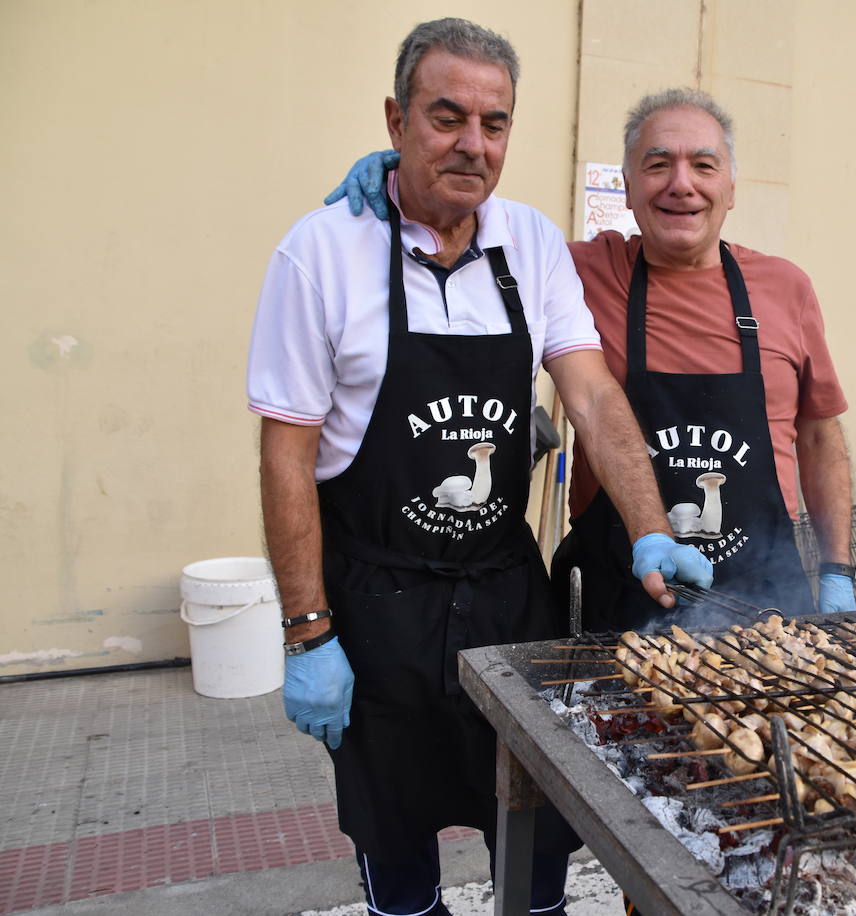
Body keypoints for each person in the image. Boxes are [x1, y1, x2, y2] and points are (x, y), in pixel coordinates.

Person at [249, 19, 711, 916]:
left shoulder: (531, 244)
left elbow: (593, 396)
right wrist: (308, 634)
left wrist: (651, 526)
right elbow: (286, 454)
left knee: (536, 838)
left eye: (494, 123)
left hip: (507, 596)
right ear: (396, 119)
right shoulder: (321, 252)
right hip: (377, 606)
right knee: (396, 847)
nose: (472, 143)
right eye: (446, 116)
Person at [328, 88, 856, 632]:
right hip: (618, 590)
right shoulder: (574, 270)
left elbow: (819, 437)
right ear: (627, 189)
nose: (681, 184)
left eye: (704, 165)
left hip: (764, 592)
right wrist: (406, 179)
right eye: (657, 165)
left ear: (731, 188)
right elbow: (470, 225)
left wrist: (837, 570)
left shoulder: (786, 288)